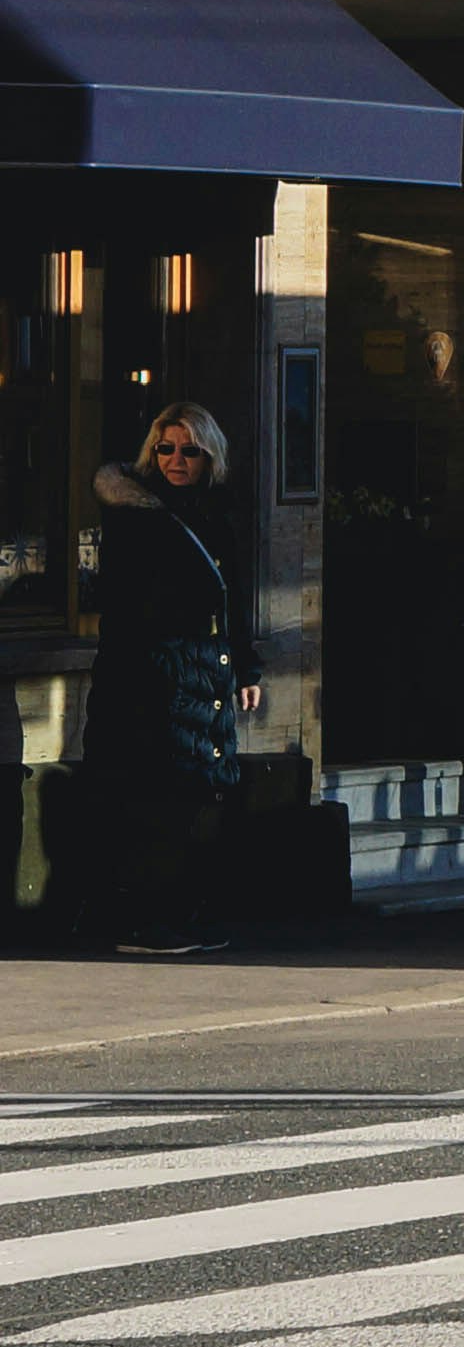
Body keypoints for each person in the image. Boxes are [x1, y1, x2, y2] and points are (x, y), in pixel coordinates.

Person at [84, 400, 258, 958]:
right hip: (152, 674)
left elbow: (235, 600)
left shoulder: (217, 515)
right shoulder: (136, 516)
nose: (176, 460)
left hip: (207, 672)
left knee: (198, 796)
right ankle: (138, 918)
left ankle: (181, 911)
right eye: (165, 448)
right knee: (150, 794)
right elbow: (124, 604)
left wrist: (246, 667)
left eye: (188, 450)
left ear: (209, 457)